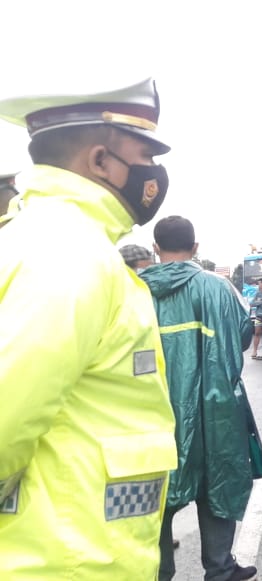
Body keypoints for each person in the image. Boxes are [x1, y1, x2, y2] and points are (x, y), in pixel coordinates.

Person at [0, 79, 178, 579]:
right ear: (101, 161)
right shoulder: (66, 254)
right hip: (59, 564)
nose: (156, 174)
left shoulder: (57, 242)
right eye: (145, 153)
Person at [140, 216, 262, 581]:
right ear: (195, 248)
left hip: (152, 411)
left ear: (155, 247)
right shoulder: (218, 287)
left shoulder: (132, 291)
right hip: (215, 407)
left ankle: (157, 571)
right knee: (218, 480)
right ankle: (220, 567)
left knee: (154, 494)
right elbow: (243, 335)